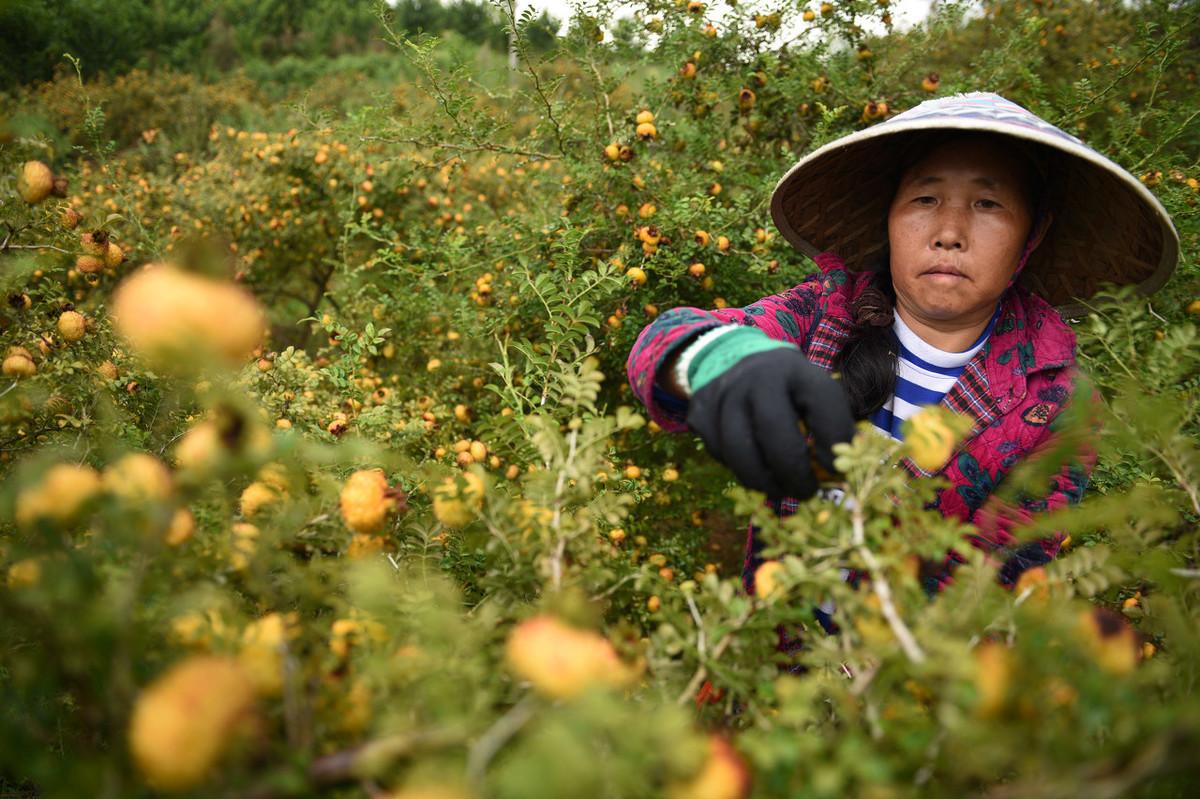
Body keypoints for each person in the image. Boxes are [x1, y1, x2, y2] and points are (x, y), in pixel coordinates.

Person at [625, 93, 1179, 608]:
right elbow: (666, 341)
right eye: (925, 197)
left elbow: (1003, 582)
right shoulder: (826, 313)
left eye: (987, 203)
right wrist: (720, 358)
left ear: (1032, 235)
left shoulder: (1056, 401)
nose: (949, 231)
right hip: (764, 663)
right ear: (889, 216)